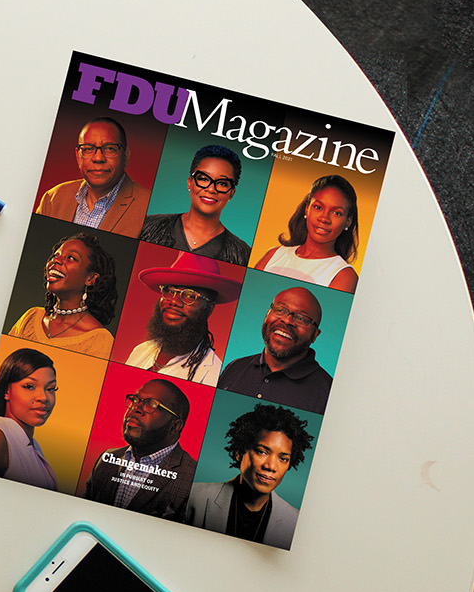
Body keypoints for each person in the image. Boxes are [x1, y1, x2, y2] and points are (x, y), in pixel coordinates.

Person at [183, 403, 314, 549]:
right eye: (262, 452)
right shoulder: (193, 497)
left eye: (283, 458)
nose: (271, 466)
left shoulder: (294, 521)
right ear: (239, 453)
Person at [81, 379, 196, 518]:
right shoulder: (107, 458)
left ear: (175, 426)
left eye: (151, 404)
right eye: (135, 400)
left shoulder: (193, 479)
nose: (135, 408)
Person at [216, 285, 333, 413]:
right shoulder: (234, 367)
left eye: (301, 318)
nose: (287, 320)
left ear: (315, 335)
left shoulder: (329, 393)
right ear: (267, 314)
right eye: (280, 310)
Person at [124, 261, 241, 385]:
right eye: (168, 290)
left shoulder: (213, 374)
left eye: (190, 296)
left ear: (209, 308)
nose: (174, 301)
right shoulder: (141, 350)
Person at [34, 117, 151, 236]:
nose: (98, 158)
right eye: (88, 149)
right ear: (78, 156)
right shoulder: (53, 198)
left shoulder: (148, 208)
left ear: (125, 156)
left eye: (110, 148)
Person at [9, 233, 120, 358]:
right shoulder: (30, 318)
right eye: (55, 256)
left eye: (71, 258)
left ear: (90, 278)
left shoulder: (101, 342)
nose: (55, 260)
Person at [137, 145, 251, 264]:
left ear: (231, 193)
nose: (211, 189)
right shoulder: (146, 226)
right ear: (190, 183)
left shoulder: (242, 255)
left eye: (222, 183)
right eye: (204, 179)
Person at [0, 348, 59, 488]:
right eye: (29, 386)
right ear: (6, 391)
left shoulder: (32, 445)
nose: (43, 397)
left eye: (50, 389)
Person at [253, 174, 360, 291]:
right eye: (318, 207)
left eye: (337, 213)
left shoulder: (344, 276)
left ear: (348, 222)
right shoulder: (274, 255)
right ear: (307, 209)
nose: (324, 218)